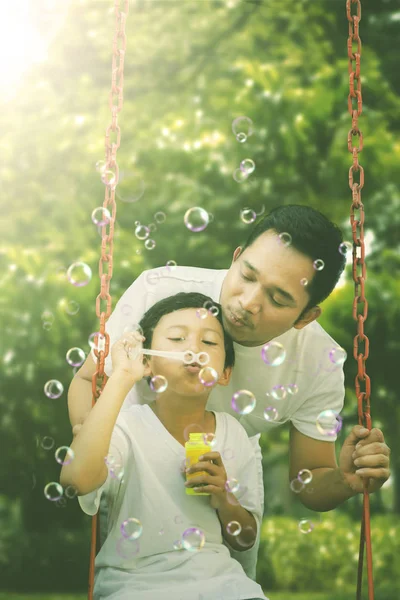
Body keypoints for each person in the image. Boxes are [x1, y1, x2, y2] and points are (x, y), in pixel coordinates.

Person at [68, 204, 391, 583]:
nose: (247, 303)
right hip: (131, 481)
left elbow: (310, 477)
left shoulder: (318, 361)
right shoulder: (160, 289)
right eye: (247, 275)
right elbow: (90, 380)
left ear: (305, 317)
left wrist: (345, 481)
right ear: (236, 257)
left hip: (225, 503)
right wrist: (89, 441)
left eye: (278, 299)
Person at [61, 293, 269, 600]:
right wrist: (122, 376)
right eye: (176, 338)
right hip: (135, 585)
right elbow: (76, 480)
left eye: (209, 343)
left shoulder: (232, 433)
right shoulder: (126, 427)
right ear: (147, 360)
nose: (194, 349)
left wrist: (223, 496)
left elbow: (245, 539)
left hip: (220, 583)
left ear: (225, 373)